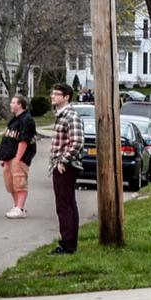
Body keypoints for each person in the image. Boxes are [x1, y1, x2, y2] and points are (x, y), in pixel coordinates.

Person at [48, 83, 84, 254]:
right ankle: (69, 242)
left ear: (66, 97)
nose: (52, 96)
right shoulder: (61, 116)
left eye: (56, 94)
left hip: (66, 167)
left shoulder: (71, 116)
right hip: (60, 165)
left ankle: (68, 245)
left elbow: (77, 141)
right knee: (67, 203)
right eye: (52, 93)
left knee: (64, 205)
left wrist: (62, 161)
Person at [0, 94, 36, 219]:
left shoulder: (26, 119)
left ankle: (20, 208)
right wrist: (4, 157)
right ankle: (16, 206)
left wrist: (18, 159)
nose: (11, 104)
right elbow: (8, 138)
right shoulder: (14, 119)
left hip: (19, 157)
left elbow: (24, 141)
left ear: (20, 105)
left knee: (19, 182)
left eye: (13, 102)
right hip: (9, 156)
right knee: (10, 183)